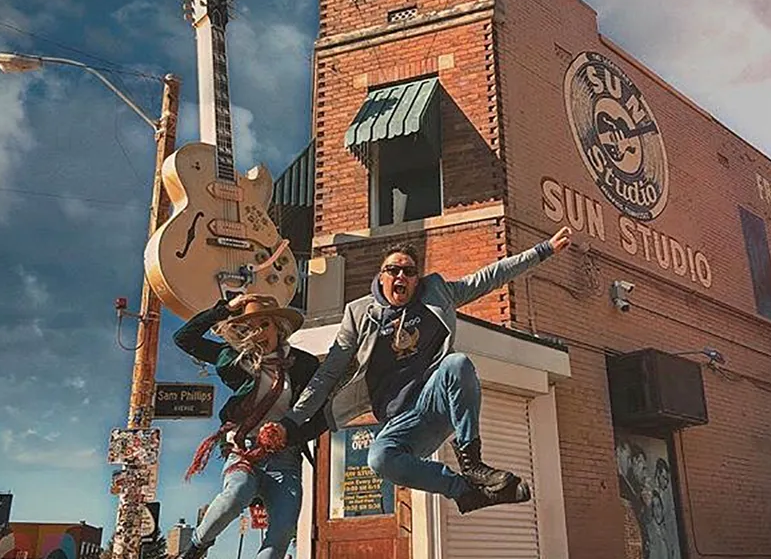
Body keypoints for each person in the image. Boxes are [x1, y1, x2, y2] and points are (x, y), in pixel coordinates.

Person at [280, 226, 573, 513]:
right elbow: (328, 372)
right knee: (379, 459)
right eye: (393, 270)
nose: (400, 276)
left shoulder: (437, 293)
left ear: (416, 279)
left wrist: (543, 250)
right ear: (380, 276)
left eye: (408, 272)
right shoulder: (358, 314)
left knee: (456, 363)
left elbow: (490, 277)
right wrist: (292, 421)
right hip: (401, 423)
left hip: (435, 402)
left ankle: (472, 463)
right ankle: (465, 493)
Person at [172, 294, 327, 559]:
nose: (258, 333)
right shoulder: (233, 359)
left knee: (280, 535)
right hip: (243, 450)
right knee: (236, 495)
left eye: (264, 324)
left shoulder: (304, 364)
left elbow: (321, 416)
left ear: (278, 326)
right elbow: (184, 339)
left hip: (285, 459)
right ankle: (194, 549)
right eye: (249, 328)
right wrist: (224, 309)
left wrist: (289, 434)